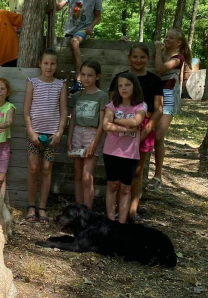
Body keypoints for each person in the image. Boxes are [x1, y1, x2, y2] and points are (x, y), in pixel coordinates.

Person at [108, 44, 163, 222]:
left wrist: (146, 131)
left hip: (145, 125)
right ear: (129, 58)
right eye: (135, 57)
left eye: (142, 57)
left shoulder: (154, 80)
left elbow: (159, 109)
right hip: (121, 128)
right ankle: (115, 212)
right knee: (117, 175)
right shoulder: (120, 78)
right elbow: (113, 106)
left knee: (137, 171)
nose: (138, 60)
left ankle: (132, 211)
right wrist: (121, 126)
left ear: (147, 59)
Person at [23, 48, 67, 223]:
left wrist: (59, 132)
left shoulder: (61, 84)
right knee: (33, 168)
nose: (49, 67)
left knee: (47, 169)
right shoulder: (32, 82)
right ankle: (31, 206)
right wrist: (31, 132)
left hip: (52, 136)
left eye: (52, 64)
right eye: (46, 63)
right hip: (35, 134)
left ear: (56, 66)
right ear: (40, 63)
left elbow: (64, 112)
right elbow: (26, 111)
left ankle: (42, 207)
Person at [148, 29, 192, 192]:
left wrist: (158, 51)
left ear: (178, 43)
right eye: (166, 36)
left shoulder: (178, 58)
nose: (166, 39)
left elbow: (159, 69)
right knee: (146, 134)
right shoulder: (156, 51)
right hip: (153, 96)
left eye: (171, 38)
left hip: (168, 98)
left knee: (159, 136)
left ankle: (157, 176)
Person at [103, 73, 147, 224]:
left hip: (130, 154)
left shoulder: (141, 106)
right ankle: (110, 220)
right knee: (112, 186)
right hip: (111, 152)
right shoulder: (111, 105)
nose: (123, 88)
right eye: (120, 86)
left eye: (127, 85)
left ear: (135, 87)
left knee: (125, 189)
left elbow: (137, 121)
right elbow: (105, 125)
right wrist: (127, 129)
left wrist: (116, 120)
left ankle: (121, 223)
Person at [66, 60, 108, 209]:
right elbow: (72, 119)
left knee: (86, 176)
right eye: (83, 74)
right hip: (77, 133)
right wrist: (69, 139)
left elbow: (103, 123)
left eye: (90, 75)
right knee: (77, 175)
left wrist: (94, 143)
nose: (86, 78)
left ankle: (87, 211)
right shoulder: (77, 95)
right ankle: (78, 210)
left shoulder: (102, 96)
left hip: (92, 134)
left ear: (97, 76)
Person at [55, 0, 102, 92]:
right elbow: (58, 7)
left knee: (74, 42)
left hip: (84, 29)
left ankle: (78, 77)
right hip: (70, 29)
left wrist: (91, 27)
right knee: (64, 52)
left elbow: (98, 16)